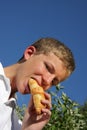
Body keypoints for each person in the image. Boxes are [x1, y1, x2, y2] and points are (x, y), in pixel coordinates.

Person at [0, 37, 75, 130]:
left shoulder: (14, 124)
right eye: (47, 67)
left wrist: (29, 128)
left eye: (53, 81)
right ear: (29, 53)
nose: (47, 81)